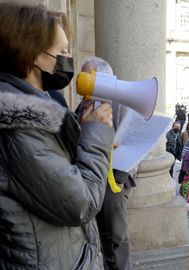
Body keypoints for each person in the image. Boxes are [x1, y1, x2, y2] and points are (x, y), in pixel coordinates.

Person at [0, 3, 113, 268]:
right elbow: (81, 202)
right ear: (30, 55)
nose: (67, 57)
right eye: (60, 51)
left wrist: (86, 130)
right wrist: (95, 138)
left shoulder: (43, 102)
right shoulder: (19, 128)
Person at [81, 57, 137, 270]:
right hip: (93, 174)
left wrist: (120, 178)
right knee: (101, 232)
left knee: (116, 235)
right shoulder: (85, 103)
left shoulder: (121, 104)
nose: (82, 80)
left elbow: (131, 141)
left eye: (87, 75)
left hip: (115, 178)